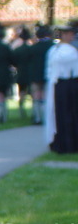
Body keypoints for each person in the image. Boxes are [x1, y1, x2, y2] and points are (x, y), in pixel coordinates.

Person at [45, 21, 78, 153]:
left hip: (58, 84)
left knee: (60, 113)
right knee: (68, 113)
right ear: (64, 35)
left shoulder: (54, 50)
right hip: (68, 84)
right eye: (70, 34)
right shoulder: (69, 51)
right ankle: (69, 143)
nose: (72, 36)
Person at [28, 25, 54, 124]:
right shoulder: (53, 46)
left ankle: (37, 117)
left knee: (36, 94)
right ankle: (46, 117)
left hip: (35, 74)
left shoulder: (33, 48)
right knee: (46, 94)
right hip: (49, 74)